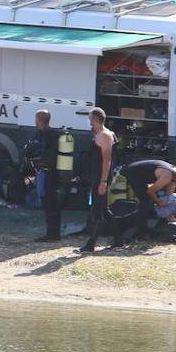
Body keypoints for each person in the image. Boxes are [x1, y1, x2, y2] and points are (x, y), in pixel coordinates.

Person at [121, 159, 176, 236]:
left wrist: (170, 214)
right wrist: (158, 202)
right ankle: (141, 230)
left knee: (150, 199)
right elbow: (150, 191)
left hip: (142, 175)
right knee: (145, 200)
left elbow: (168, 197)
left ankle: (146, 226)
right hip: (133, 172)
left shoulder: (175, 176)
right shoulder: (167, 176)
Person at [79, 108, 116, 252]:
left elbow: (107, 160)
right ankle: (119, 240)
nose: (89, 121)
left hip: (101, 178)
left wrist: (103, 181)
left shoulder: (105, 135)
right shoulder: (98, 135)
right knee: (103, 210)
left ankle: (91, 244)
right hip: (96, 177)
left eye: (90, 118)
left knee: (98, 211)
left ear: (95, 119)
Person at [25, 110, 61, 242]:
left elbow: (30, 151)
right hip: (55, 171)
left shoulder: (41, 135)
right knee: (53, 201)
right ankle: (55, 232)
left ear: (39, 120)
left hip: (44, 171)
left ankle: (51, 234)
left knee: (47, 201)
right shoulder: (55, 134)